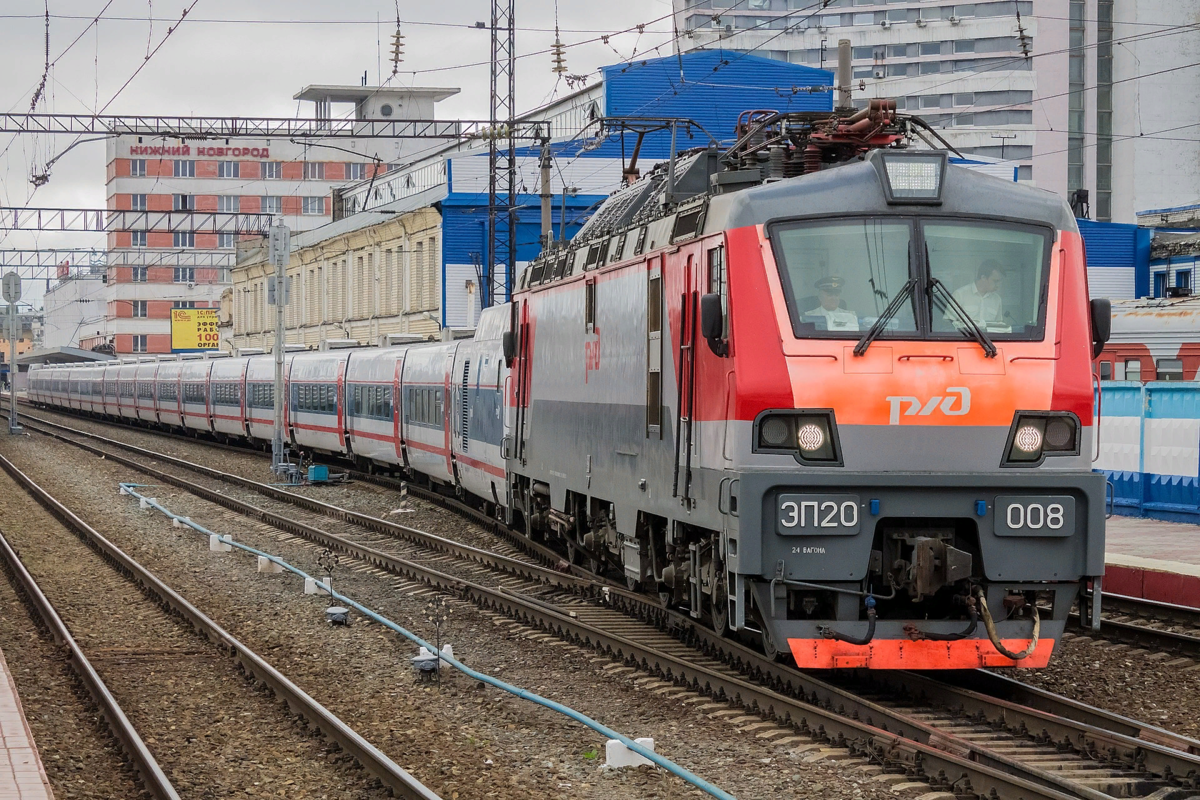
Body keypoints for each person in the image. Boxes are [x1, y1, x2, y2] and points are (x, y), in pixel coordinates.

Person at [951, 260, 1005, 327]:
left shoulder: (997, 299)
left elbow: (998, 326)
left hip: (988, 337)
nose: (998, 285)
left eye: (1000, 281)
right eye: (995, 281)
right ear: (983, 278)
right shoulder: (960, 295)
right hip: (965, 337)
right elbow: (948, 323)